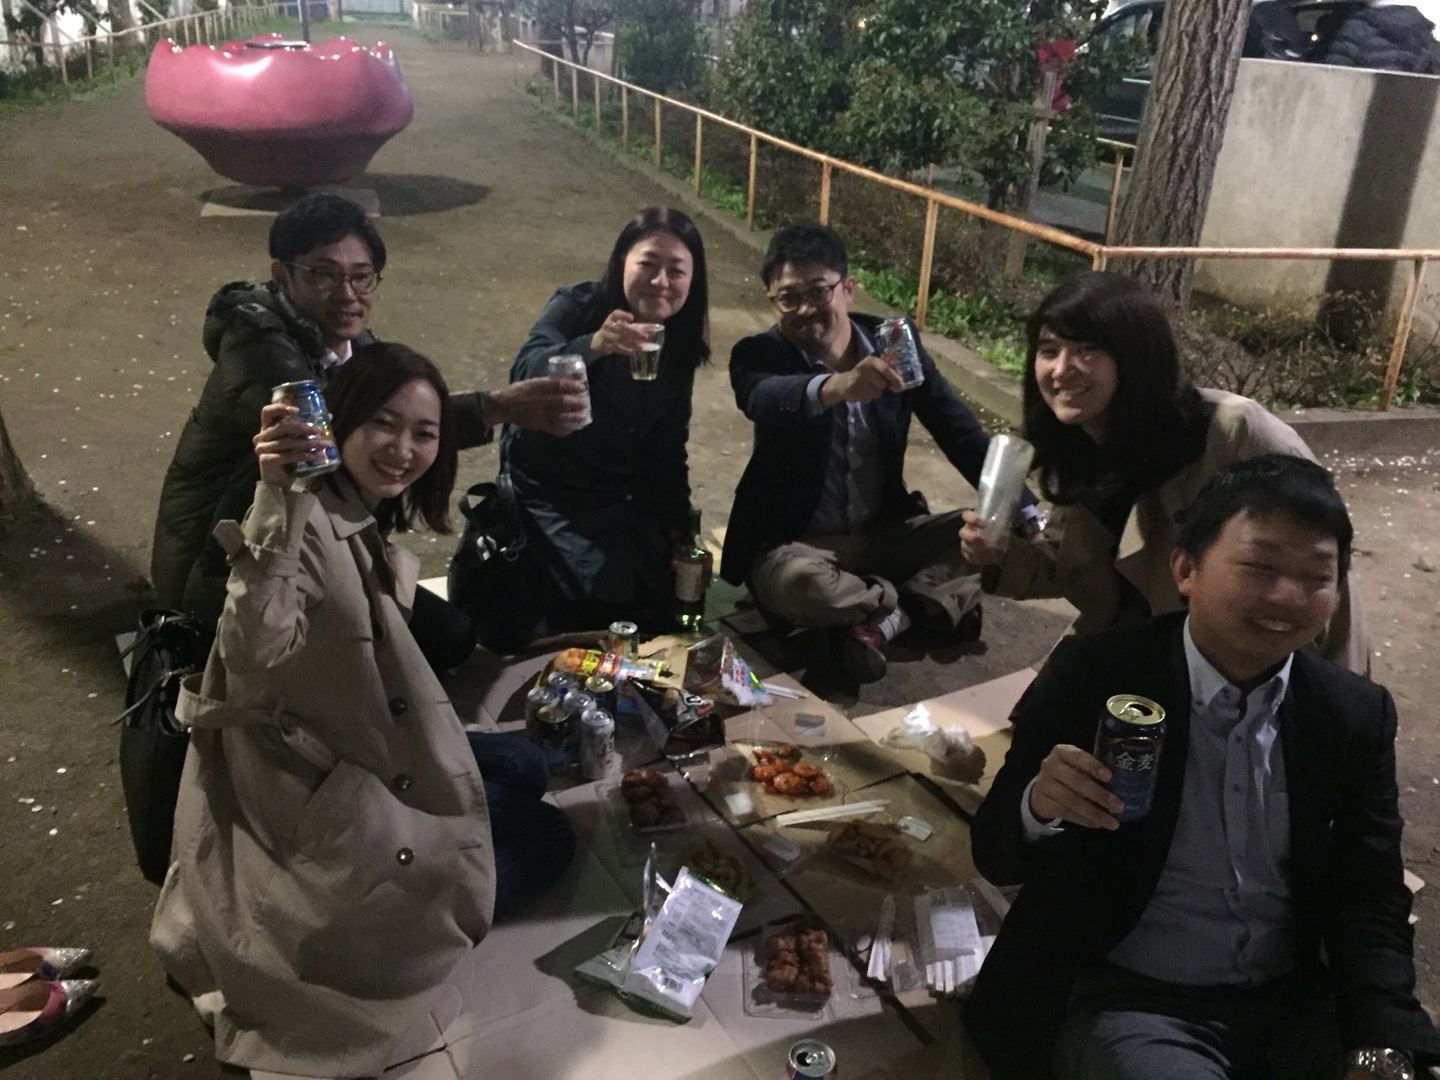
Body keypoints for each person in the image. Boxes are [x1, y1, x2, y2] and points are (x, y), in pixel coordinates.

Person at [150, 343, 577, 1078]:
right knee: (547, 835)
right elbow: (253, 646)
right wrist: (277, 494)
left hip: (359, 734)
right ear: (339, 422)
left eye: (424, 432)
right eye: (384, 423)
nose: (404, 449)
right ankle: (398, 926)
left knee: (524, 763)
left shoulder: (351, 505)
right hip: (318, 789)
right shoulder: (299, 513)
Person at [965, 454, 1440, 1080]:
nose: (1288, 597)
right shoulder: (1099, 674)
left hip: (1294, 1001)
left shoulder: (1351, 713)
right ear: (1185, 569)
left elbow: (1370, 892)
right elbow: (994, 850)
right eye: (1260, 567)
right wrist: (1038, 805)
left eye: (1317, 576)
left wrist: (1383, 1045)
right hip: (1133, 999)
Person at [150, 192, 588, 667]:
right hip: (222, 568)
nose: (347, 294)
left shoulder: (349, 345)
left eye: (361, 276)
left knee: (448, 636)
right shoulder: (259, 352)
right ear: (283, 275)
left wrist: (497, 409)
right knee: (424, 646)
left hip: (308, 546)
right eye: (324, 274)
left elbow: (385, 414)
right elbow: (339, 432)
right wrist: (494, 407)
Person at [960, 270, 1368, 674]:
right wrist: (1000, 555)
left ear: (1135, 357)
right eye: (1049, 350)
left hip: (1240, 664)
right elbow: (1070, 564)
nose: (1062, 369)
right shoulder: (1080, 440)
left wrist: (1337, 698)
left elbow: (1323, 576)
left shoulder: (1234, 432)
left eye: (1087, 350)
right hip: (1132, 651)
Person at [720, 223, 1026, 683]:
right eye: (788, 297)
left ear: (848, 288)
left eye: (818, 291)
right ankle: (912, 607)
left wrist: (1026, 511)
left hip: (883, 534)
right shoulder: (758, 354)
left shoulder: (896, 347)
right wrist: (835, 387)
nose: (805, 308)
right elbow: (760, 397)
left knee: (988, 536)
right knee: (801, 585)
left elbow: (958, 430)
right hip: (795, 545)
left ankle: (873, 621)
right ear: (772, 300)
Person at [498, 207, 710, 639]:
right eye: (648, 264)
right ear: (622, 262)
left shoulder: (677, 341)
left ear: (693, 280)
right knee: (596, 603)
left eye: (676, 270)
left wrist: (680, 531)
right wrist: (593, 346)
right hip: (555, 495)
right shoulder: (579, 304)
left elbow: (668, 449)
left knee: (668, 599)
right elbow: (525, 369)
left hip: (622, 498)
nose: (661, 281)